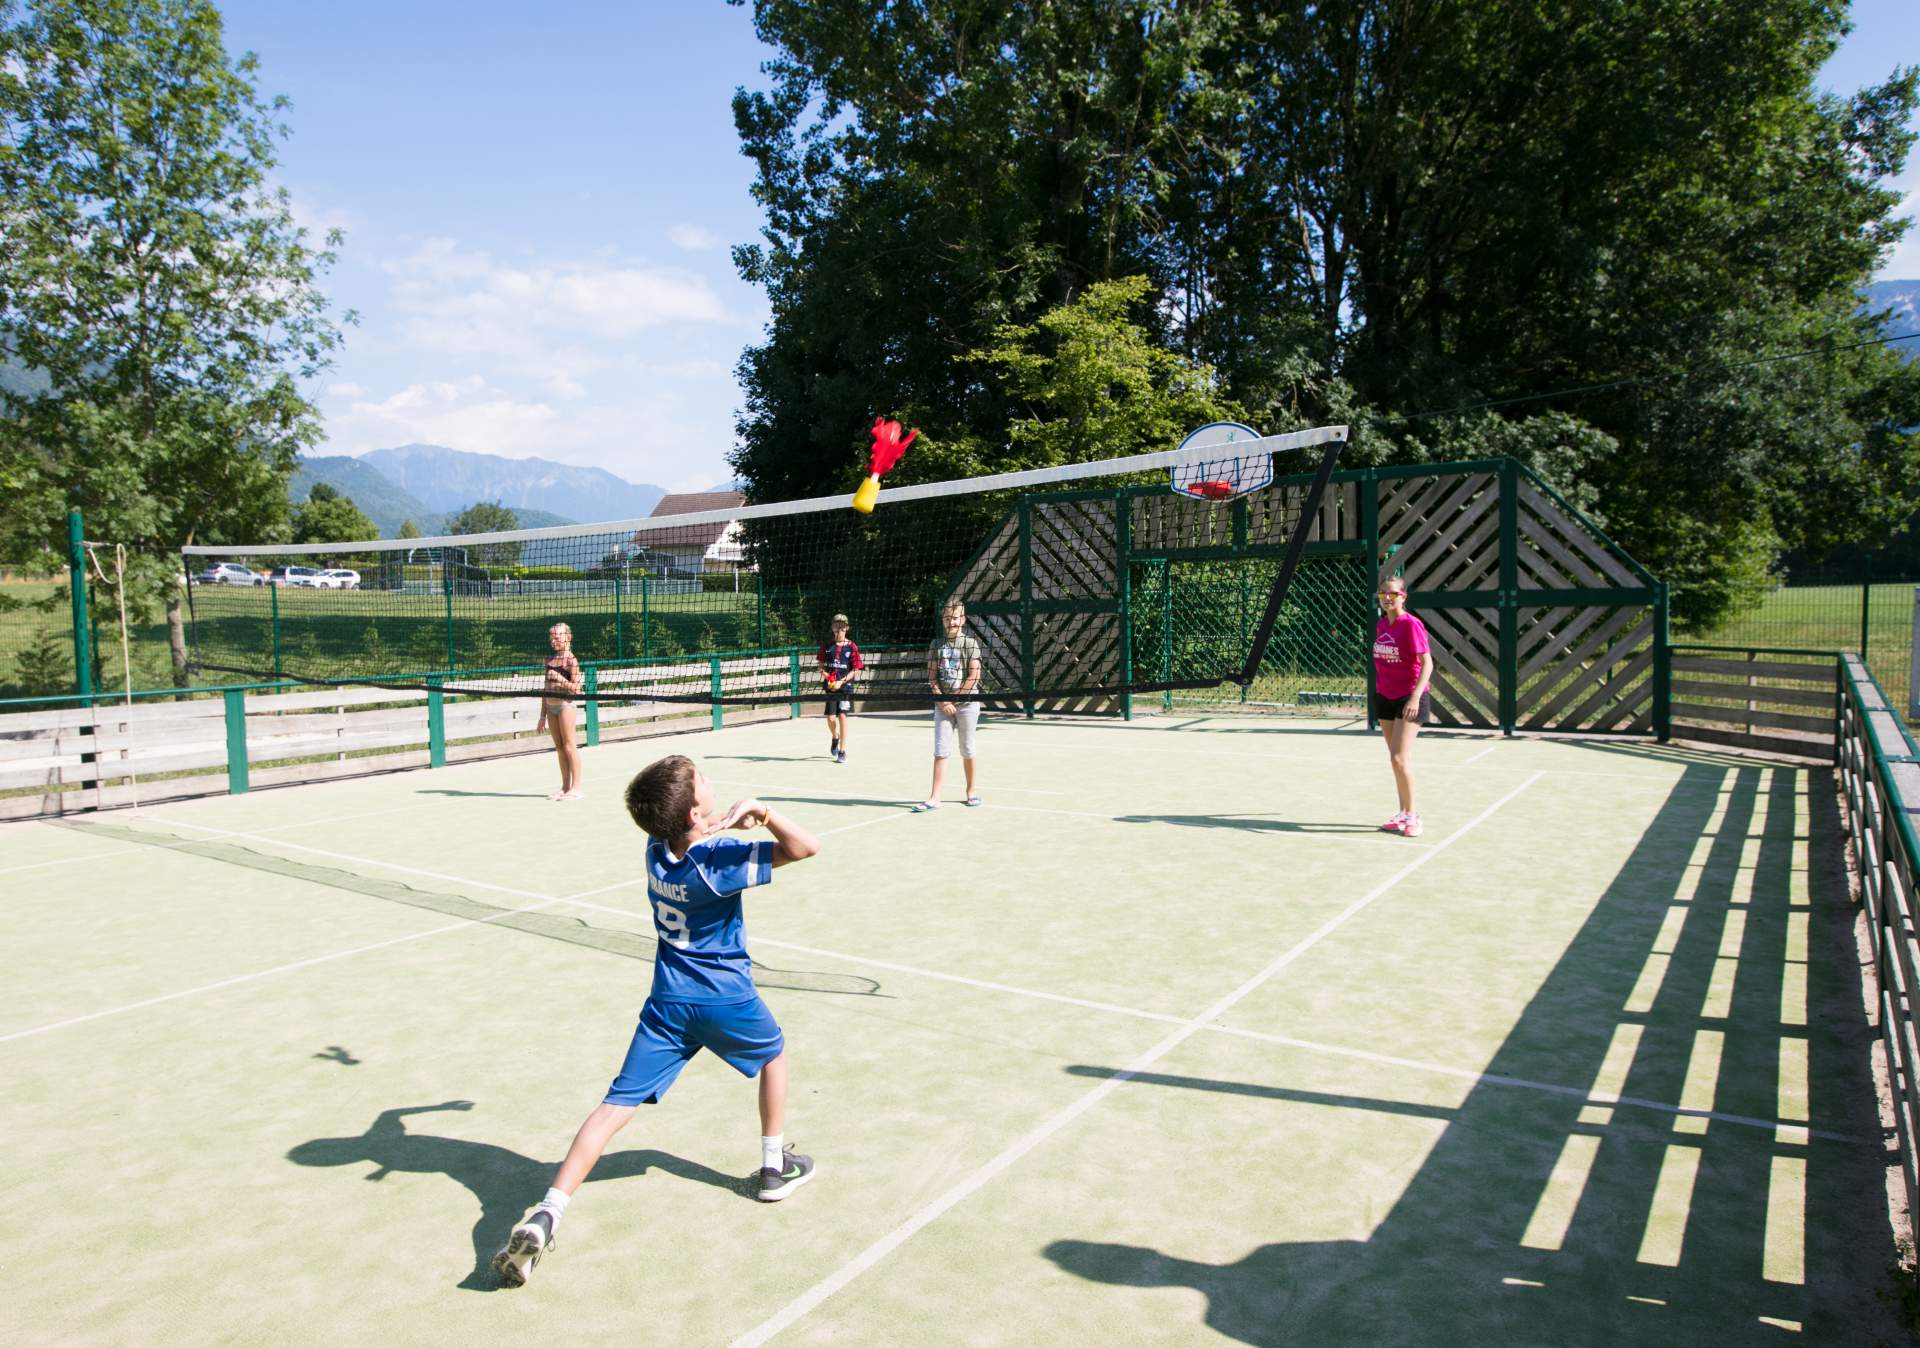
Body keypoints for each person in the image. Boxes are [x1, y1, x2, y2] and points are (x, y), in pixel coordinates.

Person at [490, 753, 822, 1288]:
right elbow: (805, 847)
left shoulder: (656, 849)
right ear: (691, 811)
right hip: (722, 998)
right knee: (774, 1056)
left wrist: (719, 824)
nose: (709, 782)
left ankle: (548, 1211)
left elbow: (690, 838)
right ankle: (772, 1167)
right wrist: (763, 812)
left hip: (667, 1002)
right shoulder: (719, 864)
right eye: (703, 781)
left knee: (614, 1105)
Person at [1371, 576, 1432, 837]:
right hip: (1385, 696)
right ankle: (1402, 813)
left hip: (1409, 697)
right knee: (1394, 760)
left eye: (1392, 594)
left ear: (1403, 597)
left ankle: (1413, 816)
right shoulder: (1382, 624)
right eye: (1382, 593)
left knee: (1399, 758)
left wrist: (1415, 697)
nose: (1387, 598)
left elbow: (1427, 664)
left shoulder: (1411, 625)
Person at [912, 599, 983, 812]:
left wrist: (954, 700)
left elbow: (974, 675)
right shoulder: (936, 644)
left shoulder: (970, 644)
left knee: (967, 749)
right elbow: (932, 677)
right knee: (940, 750)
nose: (951, 622)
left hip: (967, 704)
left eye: (955, 618)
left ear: (963, 619)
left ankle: (971, 791)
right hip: (942, 705)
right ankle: (935, 797)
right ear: (943, 620)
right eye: (947, 618)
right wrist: (943, 701)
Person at [535, 623, 585, 801]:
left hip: (565, 706)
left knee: (569, 746)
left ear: (568, 637)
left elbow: (576, 689)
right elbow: (545, 689)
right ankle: (565, 788)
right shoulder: (549, 660)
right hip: (551, 708)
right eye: (551, 637)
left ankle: (576, 788)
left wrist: (560, 679)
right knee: (560, 748)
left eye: (557, 636)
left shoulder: (571, 661)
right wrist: (542, 715)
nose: (553, 640)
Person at [816, 613, 863, 763]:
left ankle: (842, 751)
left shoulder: (852, 647)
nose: (839, 629)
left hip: (845, 688)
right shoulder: (827, 646)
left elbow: (856, 669)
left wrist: (840, 682)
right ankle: (835, 737)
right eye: (837, 626)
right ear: (832, 627)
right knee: (831, 718)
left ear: (847, 628)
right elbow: (821, 667)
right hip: (831, 688)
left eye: (842, 626)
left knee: (842, 716)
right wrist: (830, 679)